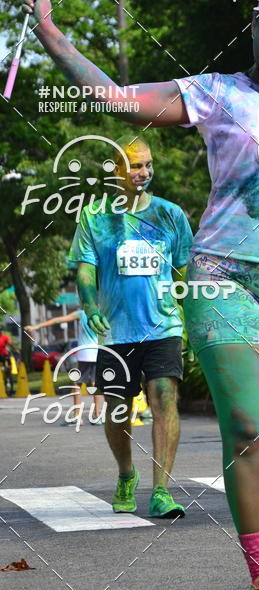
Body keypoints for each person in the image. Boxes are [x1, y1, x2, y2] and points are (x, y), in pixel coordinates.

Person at [24, 0, 259, 590]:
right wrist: (51, 31)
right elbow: (119, 100)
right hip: (221, 276)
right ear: (254, 27)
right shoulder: (217, 91)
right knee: (250, 430)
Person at [68, 139, 193, 518]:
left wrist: (190, 324)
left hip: (164, 325)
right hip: (117, 331)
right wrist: (89, 306)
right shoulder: (94, 216)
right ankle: (126, 473)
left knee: (164, 399)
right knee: (117, 411)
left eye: (148, 165)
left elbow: (184, 272)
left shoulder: (171, 215)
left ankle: (161, 491)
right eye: (135, 166)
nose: (144, 173)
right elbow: (85, 268)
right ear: (116, 170)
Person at [25, 309, 105, 421]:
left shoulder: (83, 313)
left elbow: (58, 320)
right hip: (97, 353)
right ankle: (97, 415)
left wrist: (36, 327)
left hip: (85, 353)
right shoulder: (102, 313)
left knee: (77, 384)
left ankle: (77, 415)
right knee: (94, 384)